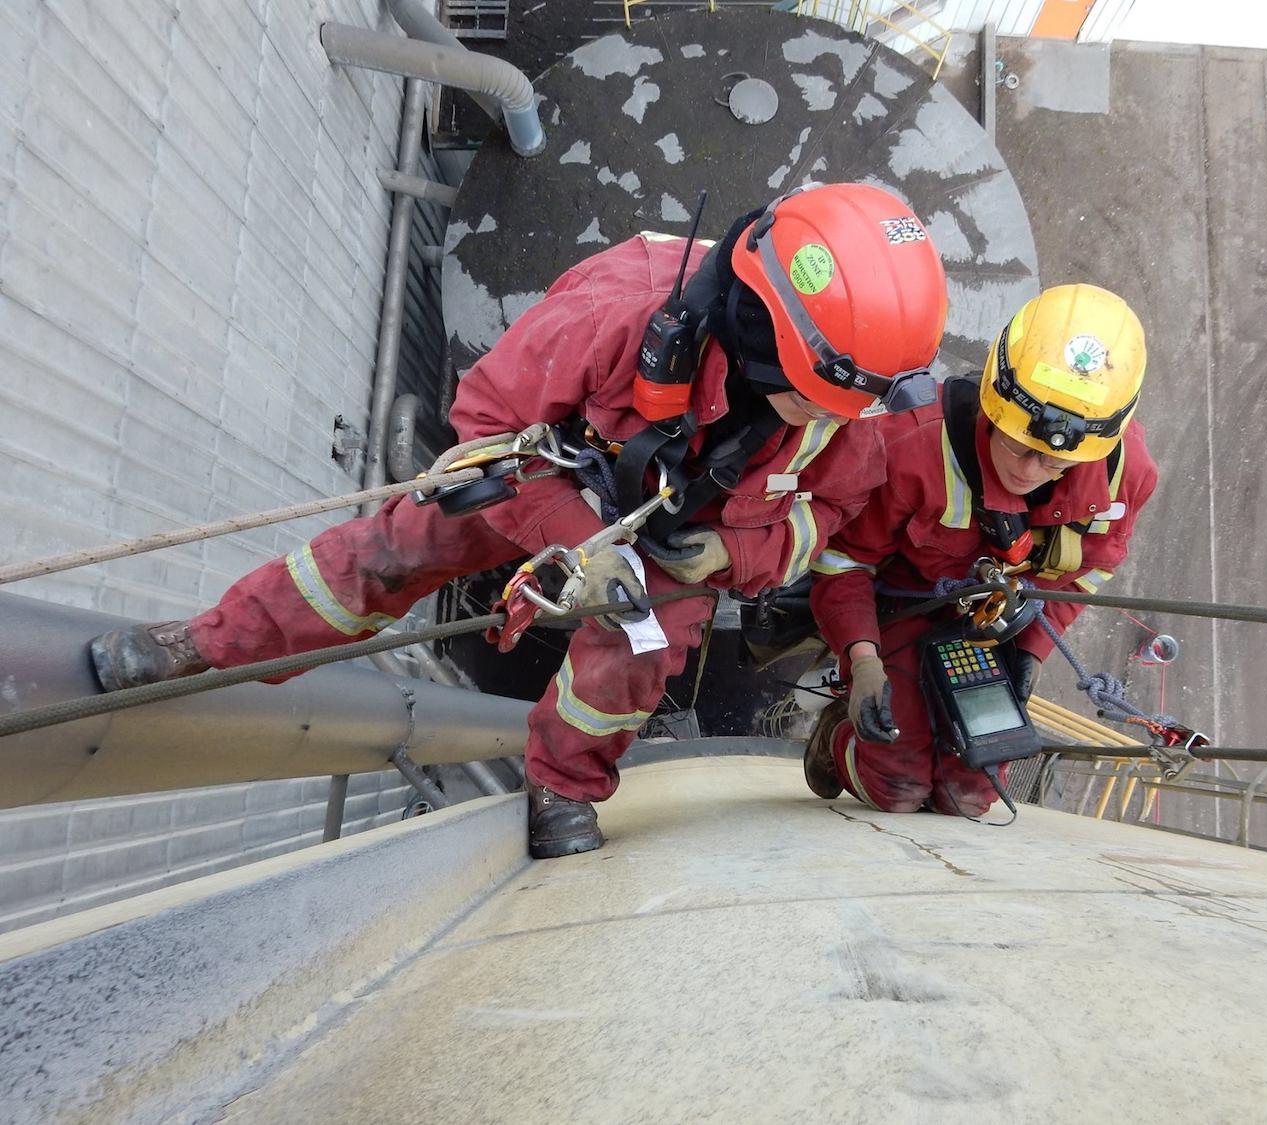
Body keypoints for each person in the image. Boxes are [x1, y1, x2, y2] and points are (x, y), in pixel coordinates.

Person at [88, 182, 949, 858]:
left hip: (681, 542)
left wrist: (727, 552)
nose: (833, 418)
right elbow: (490, 426)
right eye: (821, 398)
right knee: (388, 551)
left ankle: (564, 785)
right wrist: (577, 540)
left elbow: (825, 513)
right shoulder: (626, 303)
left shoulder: (852, 401)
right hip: (546, 480)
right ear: (769, 338)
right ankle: (208, 644)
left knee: (632, 666)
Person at [805, 284, 1158, 816]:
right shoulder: (912, 446)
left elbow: (1088, 575)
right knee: (896, 787)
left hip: (998, 623)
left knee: (970, 795)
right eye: (1018, 447)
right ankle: (836, 742)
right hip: (905, 607)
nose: (1028, 471)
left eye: (1055, 465)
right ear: (994, 403)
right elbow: (842, 560)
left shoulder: (1121, 478)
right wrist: (863, 658)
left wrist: (1033, 651)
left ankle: (942, 770)